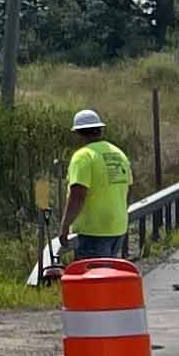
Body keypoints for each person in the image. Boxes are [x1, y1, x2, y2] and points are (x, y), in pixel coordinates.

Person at [60, 107, 133, 270]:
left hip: (93, 230)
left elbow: (78, 194)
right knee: (107, 277)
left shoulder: (83, 156)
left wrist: (65, 225)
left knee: (93, 282)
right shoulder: (118, 154)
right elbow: (128, 187)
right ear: (100, 130)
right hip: (118, 227)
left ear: (78, 133)